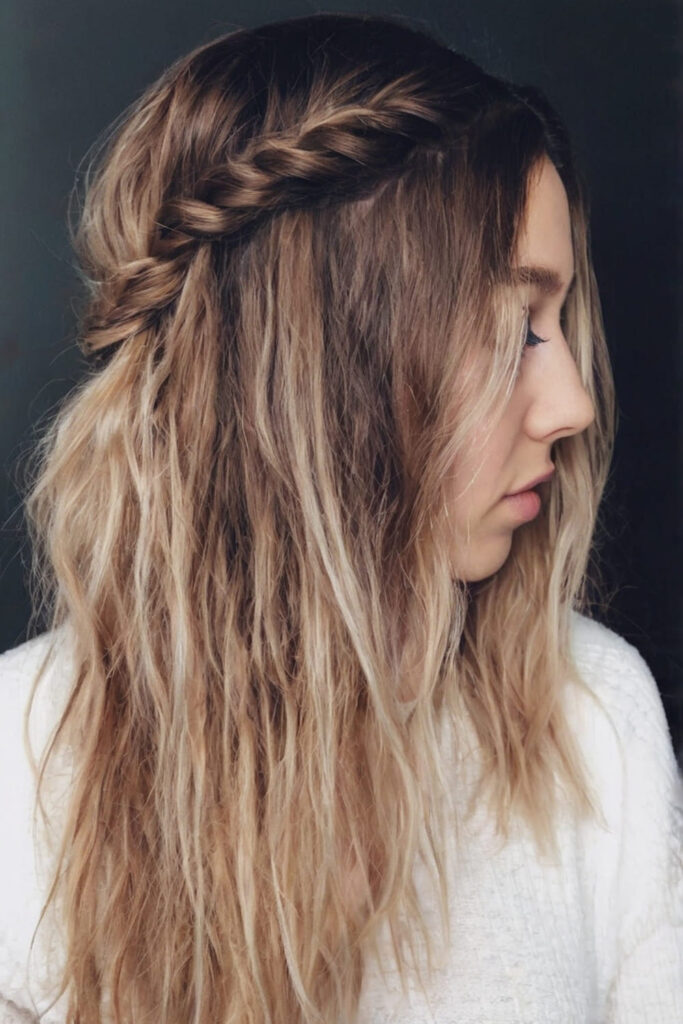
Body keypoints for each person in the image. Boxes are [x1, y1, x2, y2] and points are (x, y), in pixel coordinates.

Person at [0, 11, 681, 1023]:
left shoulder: (591, 717)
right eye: (513, 326)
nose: (574, 404)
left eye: (556, 321)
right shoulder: (24, 761)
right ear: (324, 375)